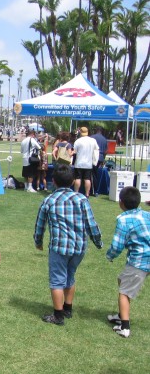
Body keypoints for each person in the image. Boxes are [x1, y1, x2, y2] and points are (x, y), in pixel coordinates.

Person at [34, 164, 103, 325]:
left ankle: (58, 316)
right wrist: (98, 242)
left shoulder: (49, 200)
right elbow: (91, 224)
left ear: (53, 181)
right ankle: (67, 308)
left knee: (57, 280)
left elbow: (40, 225)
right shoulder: (82, 199)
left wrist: (38, 241)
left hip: (59, 248)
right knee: (70, 276)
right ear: (72, 181)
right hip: (79, 247)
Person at [106, 187, 150, 338]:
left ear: (121, 202)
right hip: (146, 258)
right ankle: (121, 314)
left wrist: (110, 255)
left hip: (140, 260)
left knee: (124, 292)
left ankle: (124, 327)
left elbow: (117, 245)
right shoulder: (146, 214)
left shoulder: (123, 219)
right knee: (122, 280)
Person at [73, 126, 99, 198]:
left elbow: (74, 152)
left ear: (80, 132)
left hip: (79, 163)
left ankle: (76, 192)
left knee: (78, 178)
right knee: (87, 179)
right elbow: (96, 149)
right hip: (88, 163)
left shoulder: (78, 141)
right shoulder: (93, 140)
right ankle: (87, 194)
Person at [90, 126, 108, 196]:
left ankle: (95, 190)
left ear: (96, 130)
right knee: (96, 173)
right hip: (101, 157)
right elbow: (106, 151)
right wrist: (103, 158)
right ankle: (96, 189)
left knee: (93, 174)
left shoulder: (92, 137)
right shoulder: (104, 139)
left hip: (94, 157)